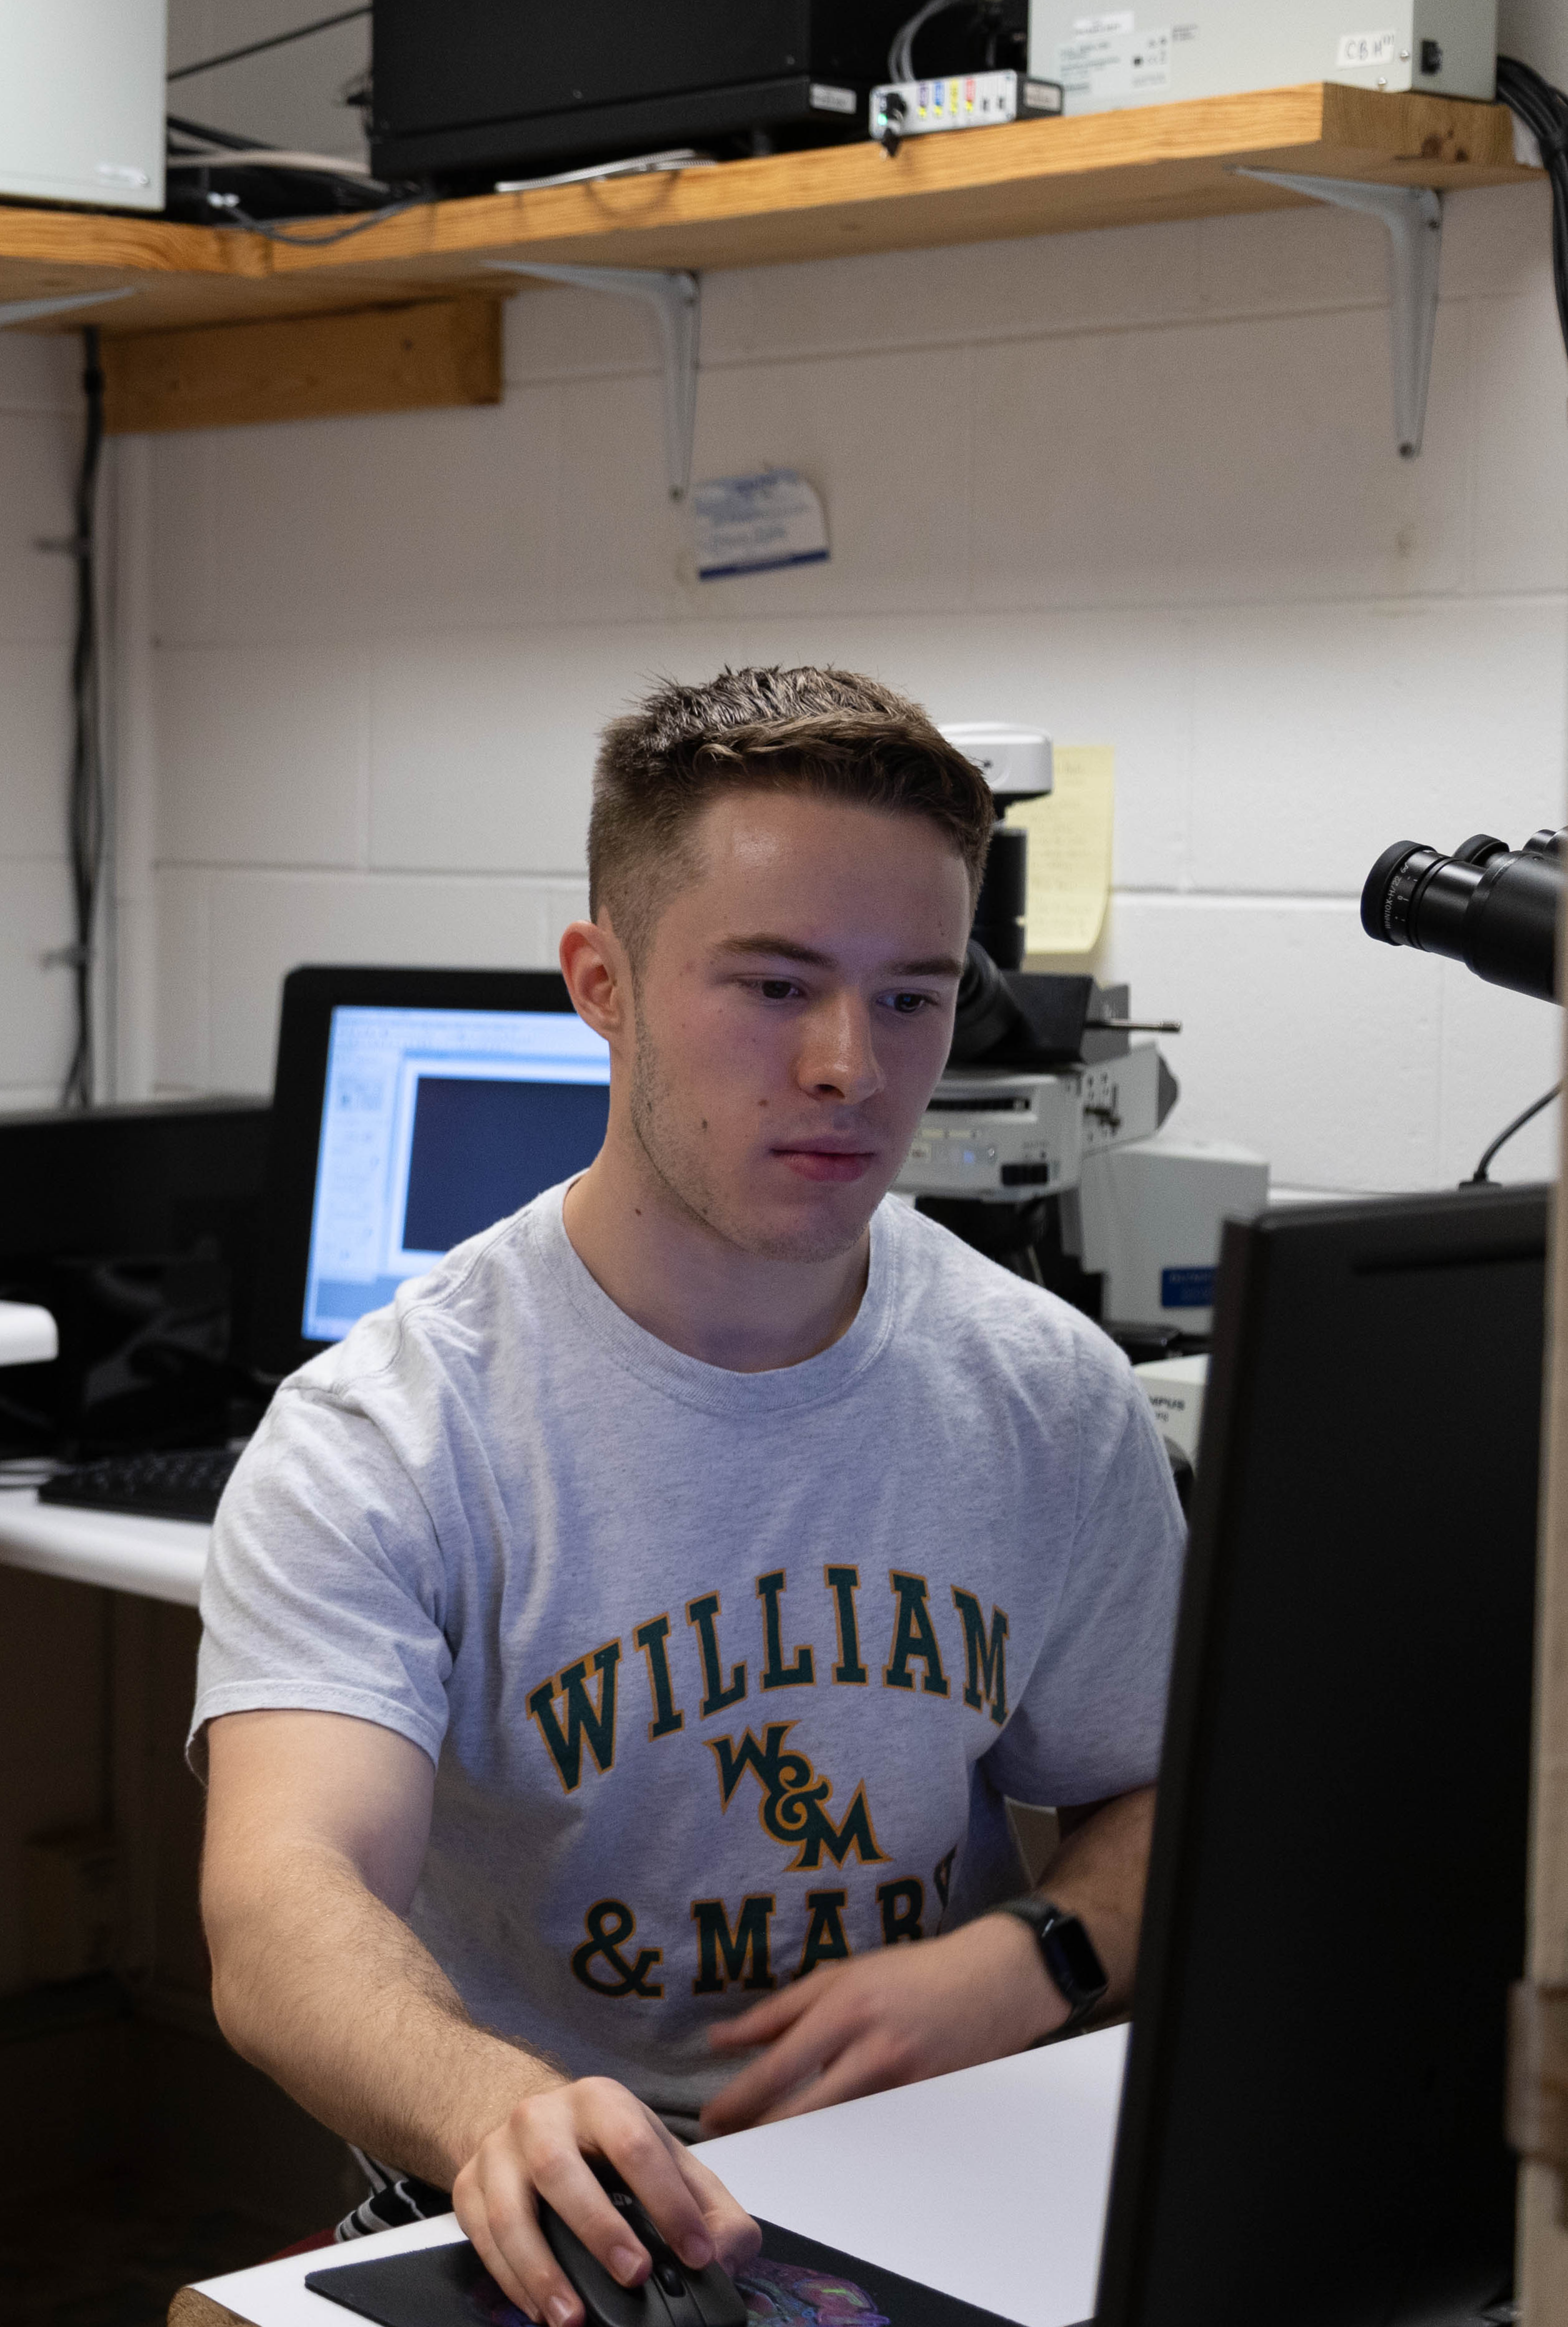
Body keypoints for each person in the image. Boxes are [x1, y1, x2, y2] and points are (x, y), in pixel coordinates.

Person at [191, 666, 1184, 2327]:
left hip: (935, 2177)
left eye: (912, 1000)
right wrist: (491, 2109)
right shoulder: (387, 1433)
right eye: (775, 983)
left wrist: (1038, 1959)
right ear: (605, 983)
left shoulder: (1044, 1392)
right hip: (556, 2223)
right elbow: (286, 1905)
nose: (848, 1068)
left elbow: (1166, 1802)